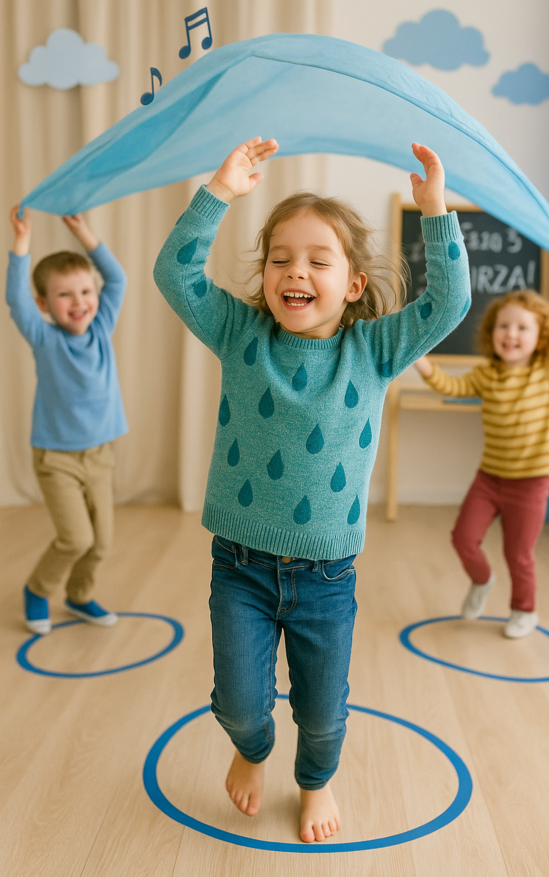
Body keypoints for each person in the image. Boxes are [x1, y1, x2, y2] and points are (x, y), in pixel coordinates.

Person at [154, 137, 470, 843]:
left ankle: (315, 780)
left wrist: (435, 212)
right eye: (279, 259)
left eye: (318, 261)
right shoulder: (241, 333)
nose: (295, 272)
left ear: (353, 284)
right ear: (264, 274)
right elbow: (174, 273)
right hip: (238, 564)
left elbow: (450, 303)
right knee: (239, 704)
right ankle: (251, 750)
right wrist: (220, 192)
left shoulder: (375, 349)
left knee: (323, 713)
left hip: (327, 577)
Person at [414, 271, 549, 639]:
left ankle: (524, 610)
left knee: (519, 553)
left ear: (541, 336)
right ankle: (482, 581)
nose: (511, 334)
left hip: (531, 482)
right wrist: (419, 358)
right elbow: (451, 385)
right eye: (503, 326)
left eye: (522, 328)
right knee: (463, 538)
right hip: (490, 478)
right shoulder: (486, 374)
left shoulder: (548, 368)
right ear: (492, 333)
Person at [7, 205, 128, 635]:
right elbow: (16, 300)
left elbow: (117, 279)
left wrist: (85, 236)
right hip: (57, 458)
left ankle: (79, 596)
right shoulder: (44, 337)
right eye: (65, 295)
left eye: (84, 292)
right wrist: (21, 243)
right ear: (44, 304)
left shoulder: (102, 326)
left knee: (101, 543)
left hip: (100, 454)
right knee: (75, 538)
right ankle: (38, 588)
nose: (79, 302)